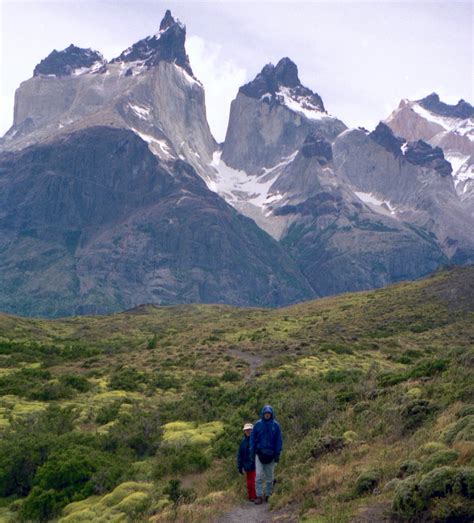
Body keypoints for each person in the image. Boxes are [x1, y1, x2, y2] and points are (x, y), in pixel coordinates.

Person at [249, 404, 283, 504]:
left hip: (271, 455)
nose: (267, 415)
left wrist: (277, 453)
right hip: (259, 454)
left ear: (271, 414)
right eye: (265, 413)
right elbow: (252, 438)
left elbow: (279, 440)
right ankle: (259, 496)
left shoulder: (276, 425)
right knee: (258, 476)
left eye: (269, 413)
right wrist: (252, 451)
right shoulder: (258, 424)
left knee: (270, 477)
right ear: (263, 414)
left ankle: (268, 495)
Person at [237, 422, 257, 501]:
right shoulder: (243, 443)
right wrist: (240, 466)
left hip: (256, 464)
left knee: (254, 481)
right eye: (246, 430)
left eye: (249, 430)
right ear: (244, 431)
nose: (248, 431)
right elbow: (240, 456)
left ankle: (255, 496)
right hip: (247, 465)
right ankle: (251, 497)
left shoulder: (256, 440)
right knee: (249, 482)